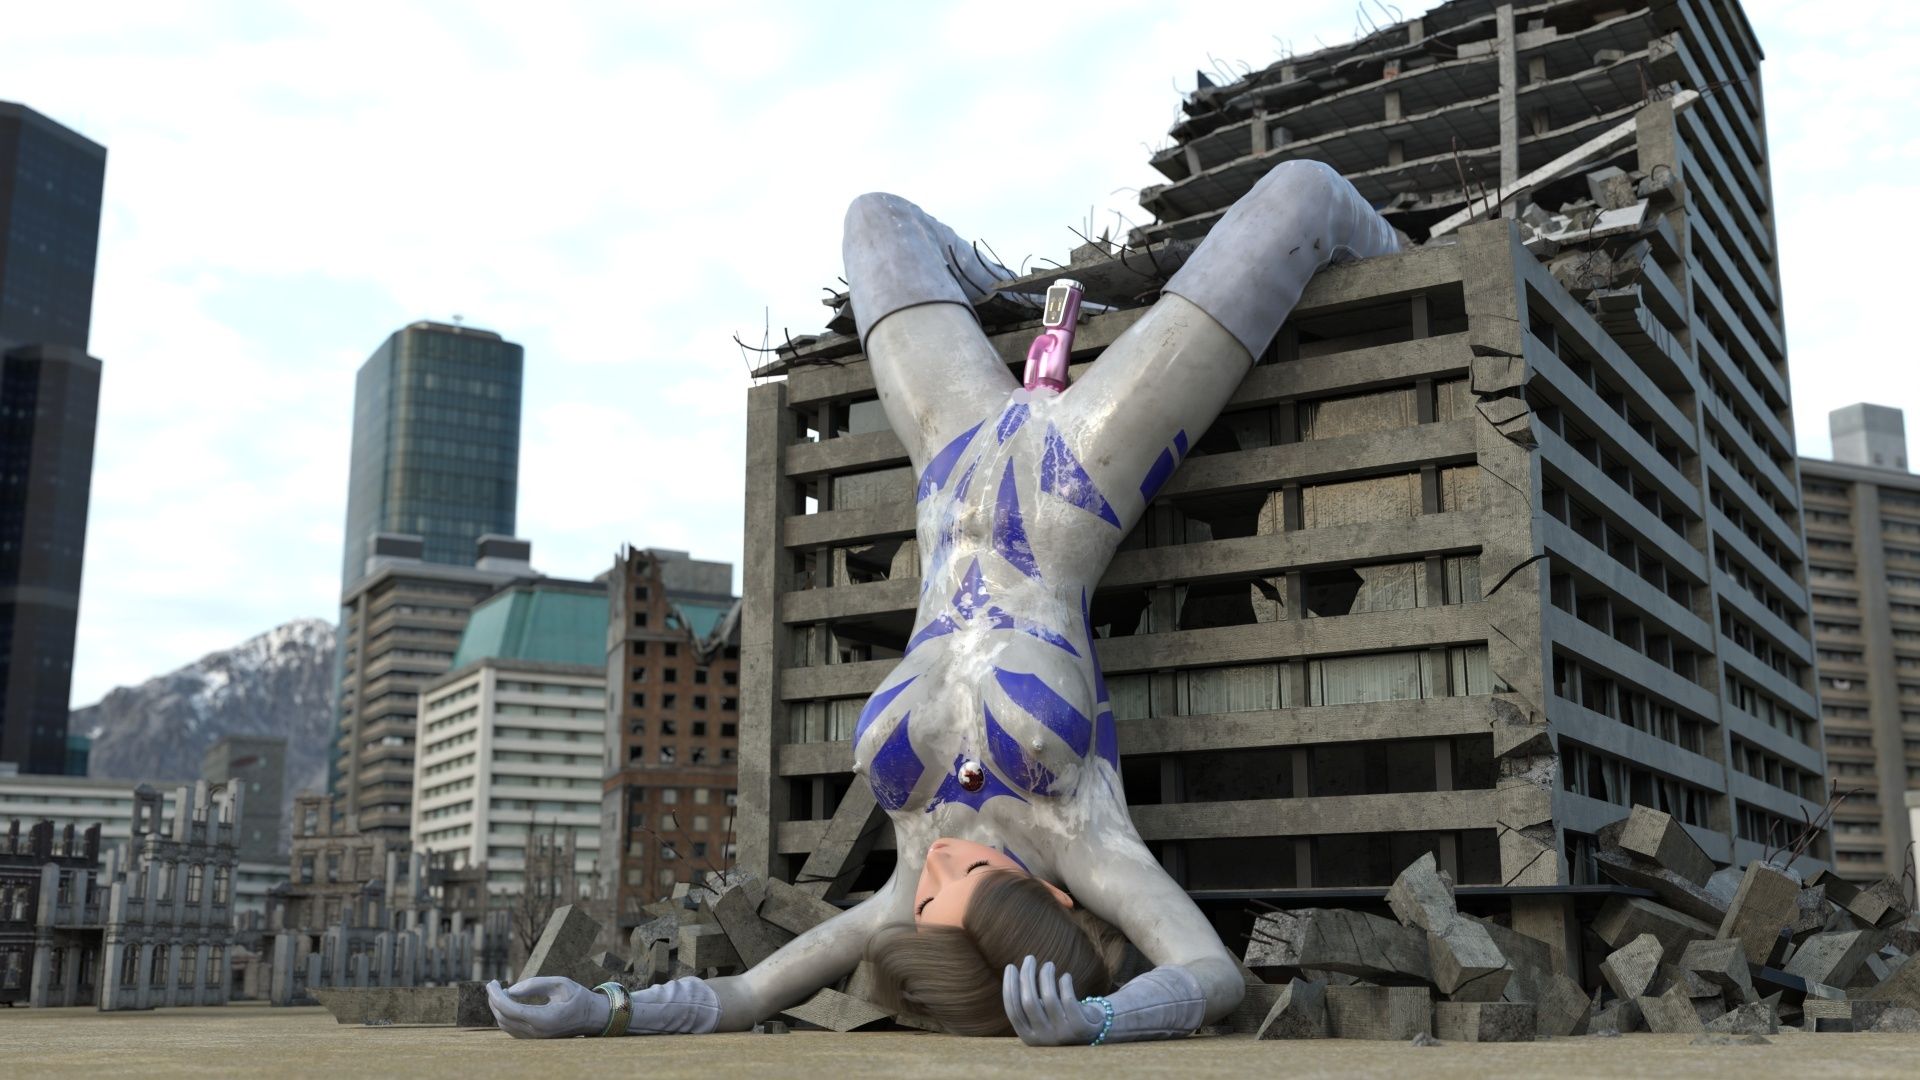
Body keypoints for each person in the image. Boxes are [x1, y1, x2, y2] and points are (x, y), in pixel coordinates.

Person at [486, 158, 1401, 1044]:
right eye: (948, 897)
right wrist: (1104, 1019)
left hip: (952, 456)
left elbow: (742, 996)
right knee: (1301, 196)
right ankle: (1403, 252)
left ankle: (1002, 294)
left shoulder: (913, 873)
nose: (926, 885)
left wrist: (604, 1010)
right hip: (1083, 471)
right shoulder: (1082, 842)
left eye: (919, 904)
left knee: (875, 220)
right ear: (1038, 905)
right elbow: (1211, 975)